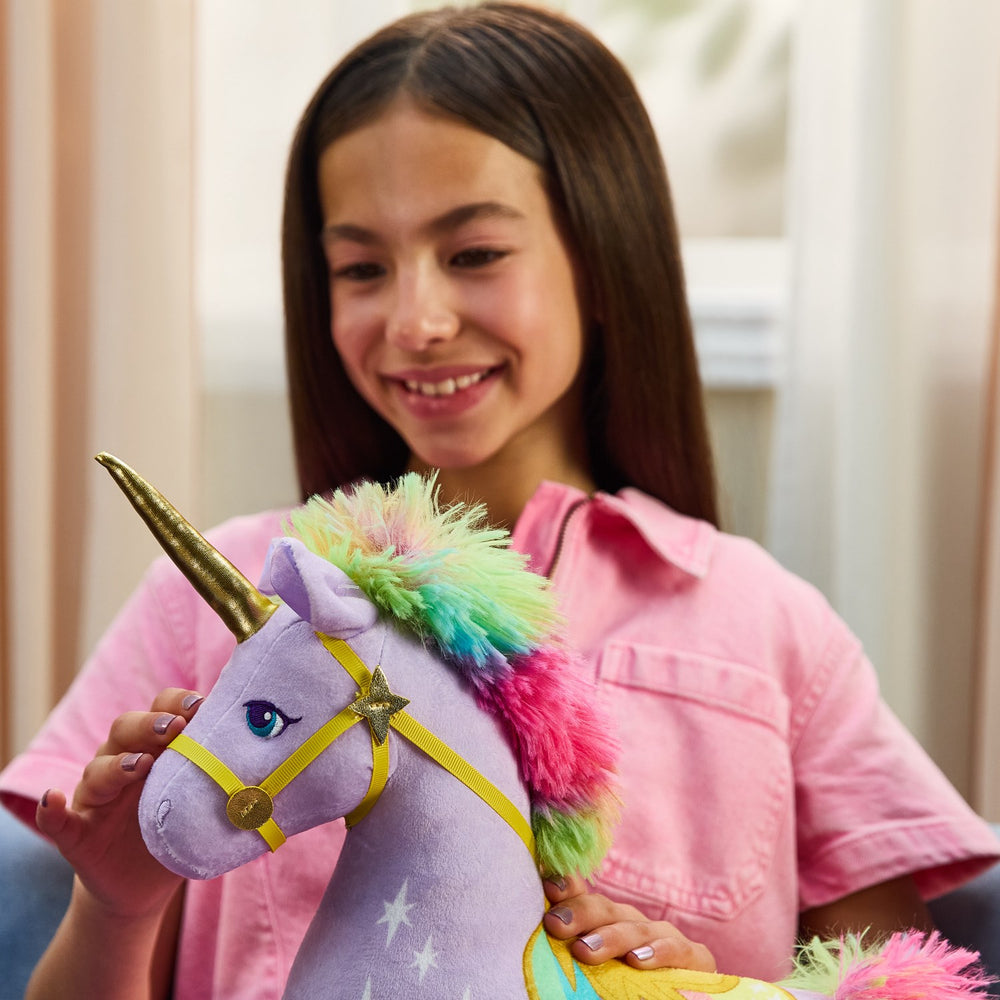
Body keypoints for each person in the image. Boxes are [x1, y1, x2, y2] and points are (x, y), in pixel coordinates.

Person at [3, 3, 999, 998]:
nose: (416, 320)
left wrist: (701, 990)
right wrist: (115, 905)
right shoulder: (218, 603)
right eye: (361, 268)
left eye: (473, 253)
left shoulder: (770, 631)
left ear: (602, 257)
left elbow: (892, 978)